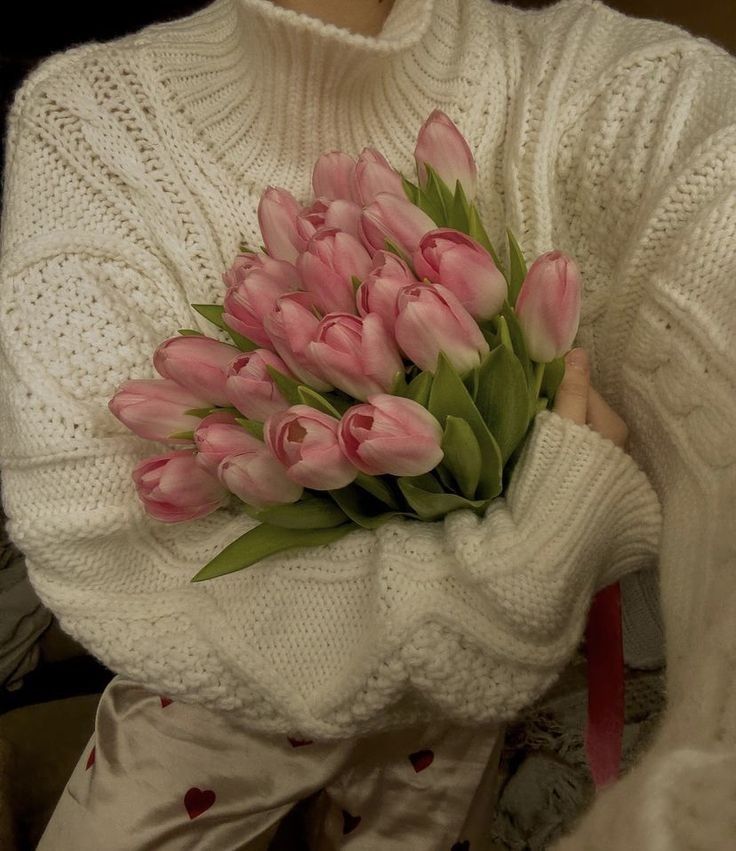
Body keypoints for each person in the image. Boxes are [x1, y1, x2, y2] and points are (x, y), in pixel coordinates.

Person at [0, 0, 732, 848]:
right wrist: (540, 540)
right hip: (193, 736)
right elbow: (113, 547)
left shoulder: (607, 90)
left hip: (452, 754)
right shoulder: (89, 127)